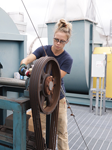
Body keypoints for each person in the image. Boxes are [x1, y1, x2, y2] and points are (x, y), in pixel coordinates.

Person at [19, 19, 73, 150]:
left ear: (67, 42)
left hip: (58, 98)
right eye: (56, 40)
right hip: (41, 97)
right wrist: (23, 65)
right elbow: (28, 59)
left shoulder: (67, 59)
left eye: (62, 41)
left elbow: (55, 78)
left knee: (61, 132)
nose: (58, 43)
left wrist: (35, 72)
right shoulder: (43, 50)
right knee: (40, 130)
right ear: (53, 37)